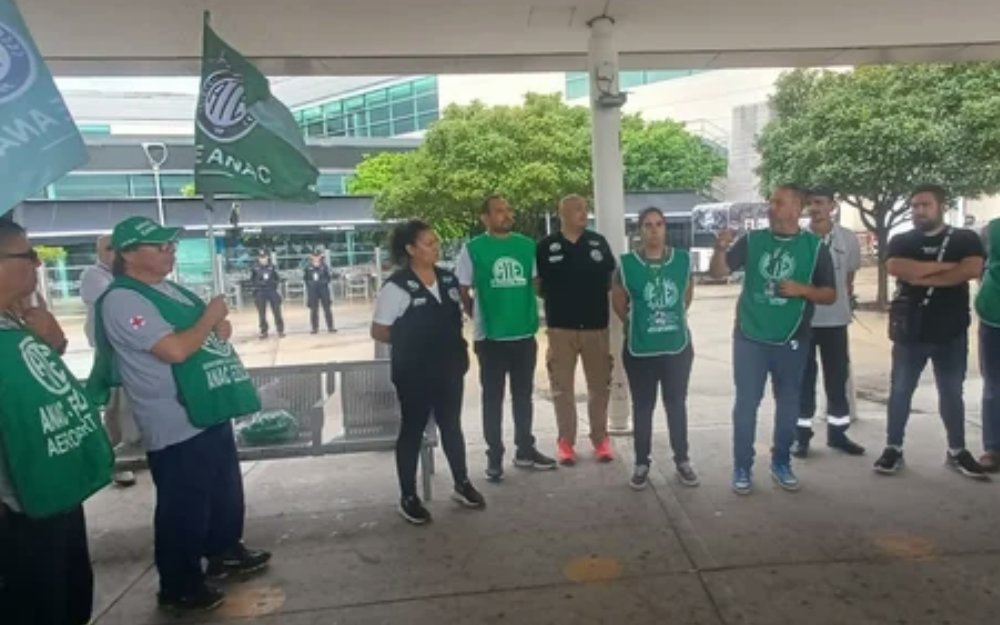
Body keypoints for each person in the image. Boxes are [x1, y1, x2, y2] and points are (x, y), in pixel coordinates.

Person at [88, 216, 271, 614]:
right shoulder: (123, 300)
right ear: (128, 255)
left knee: (222, 490)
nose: (170, 251)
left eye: (171, 244)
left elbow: (204, 333)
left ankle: (224, 549)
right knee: (184, 505)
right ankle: (180, 584)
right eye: (159, 246)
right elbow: (173, 349)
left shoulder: (170, 289)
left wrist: (217, 327)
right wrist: (209, 319)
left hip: (208, 405)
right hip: (173, 418)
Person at [0, 219, 114, 625]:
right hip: (17, 507)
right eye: (27, 255)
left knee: (70, 594)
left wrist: (52, 342)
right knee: (34, 605)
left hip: (54, 489)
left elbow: (37, 381)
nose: (37, 264)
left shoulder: (15, 319)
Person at [710, 185, 836, 495]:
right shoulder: (752, 241)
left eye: (779, 202)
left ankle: (781, 462)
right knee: (746, 404)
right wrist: (721, 249)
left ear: (796, 208)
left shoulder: (815, 248)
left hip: (792, 338)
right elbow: (719, 273)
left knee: (788, 404)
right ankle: (742, 467)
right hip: (750, 336)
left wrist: (802, 290)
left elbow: (830, 294)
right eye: (771, 202)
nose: (771, 207)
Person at [371, 220, 485, 524]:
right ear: (411, 249)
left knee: (451, 426)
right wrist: (412, 342)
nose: (436, 247)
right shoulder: (396, 287)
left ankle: (462, 483)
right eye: (429, 243)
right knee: (413, 429)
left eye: (436, 242)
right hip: (414, 372)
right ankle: (408, 496)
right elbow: (379, 330)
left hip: (449, 369)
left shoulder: (448, 280)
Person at [875, 184, 987, 479]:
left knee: (951, 393)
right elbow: (897, 267)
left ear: (941, 206)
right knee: (900, 391)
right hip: (910, 333)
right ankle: (893, 448)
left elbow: (972, 269)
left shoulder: (965, 238)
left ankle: (957, 451)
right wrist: (948, 269)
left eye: (925, 205)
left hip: (951, 333)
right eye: (915, 206)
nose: (919, 211)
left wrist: (922, 275)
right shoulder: (901, 240)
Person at [457, 194, 557, 481]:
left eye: (508, 209)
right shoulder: (473, 249)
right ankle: (494, 455)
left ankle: (525, 449)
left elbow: (536, 283)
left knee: (523, 396)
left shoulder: (526, 246)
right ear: (485, 218)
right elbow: (463, 289)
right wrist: (477, 315)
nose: (506, 214)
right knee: (493, 398)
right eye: (499, 211)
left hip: (524, 333)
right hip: (491, 338)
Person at [612, 207, 699, 490]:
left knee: (676, 404)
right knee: (643, 407)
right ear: (640, 230)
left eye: (659, 224)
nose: (653, 230)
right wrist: (637, 323)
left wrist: (667, 318)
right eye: (647, 225)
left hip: (676, 347)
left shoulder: (682, 260)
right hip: (640, 349)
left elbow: (686, 296)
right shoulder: (626, 264)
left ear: (665, 228)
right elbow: (618, 302)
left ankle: (682, 460)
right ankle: (641, 463)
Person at [536, 194, 616, 465]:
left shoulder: (598, 242)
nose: (584, 213)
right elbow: (538, 284)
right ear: (563, 214)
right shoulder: (546, 247)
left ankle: (600, 439)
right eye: (578, 209)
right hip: (561, 329)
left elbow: (611, 278)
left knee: (599, 386)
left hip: (596, 327)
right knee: (562, 388)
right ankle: (566, 442)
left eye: (585, 209)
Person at [792, 187, 865, 458]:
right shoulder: (797, 239)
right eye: (810, 203)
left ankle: (838, 434)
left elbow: (848, 279)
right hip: (804, 321)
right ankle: (801, 437)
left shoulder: (848, 239)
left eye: (820, 202)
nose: (815, 208)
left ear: (832, 206)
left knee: (837, 379)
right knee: (803, 380)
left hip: (836, 321)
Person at [80, 234, 140, 486]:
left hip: (128, 348)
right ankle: (114, 461)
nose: (114, 253)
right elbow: (117, 300)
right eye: (108, 248)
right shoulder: (94, 276)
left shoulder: (121, 276)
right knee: (114, 406)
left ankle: (130, 452)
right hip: (109, 350)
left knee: (129, 403)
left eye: (118, 248)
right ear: (98, 252)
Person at [976, 218, 1000, 472]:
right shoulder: (991, 230)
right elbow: (978, 267)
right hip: (994, 319)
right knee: (994, 386)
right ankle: (993, 447)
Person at [250, 250, 284, 339]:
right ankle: (264, 331)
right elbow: (252, 280)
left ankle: (280, 330)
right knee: (262, 313)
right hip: (260, 291)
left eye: (264, 257)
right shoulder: (255, 268)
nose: (263, 259)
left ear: (267, 257)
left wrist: (273, 284)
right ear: (258, 258)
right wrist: (259, 284)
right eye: (261, 258)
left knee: (277, 311)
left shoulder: (272, 267)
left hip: (271, 290)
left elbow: (277, 278)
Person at [304, 249, 336, 334]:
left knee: (327, 308)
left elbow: (328, 277)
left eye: (317, 256)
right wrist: (311, 285)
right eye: (314, 256)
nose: (316, 258)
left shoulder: (324, 266)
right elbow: (306, 278)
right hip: (313, 290)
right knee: (314, 309)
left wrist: (323, 282)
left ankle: (330, 327)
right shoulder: (308, 267)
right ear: (311, 257)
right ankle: (314, 328)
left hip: (323, 289)